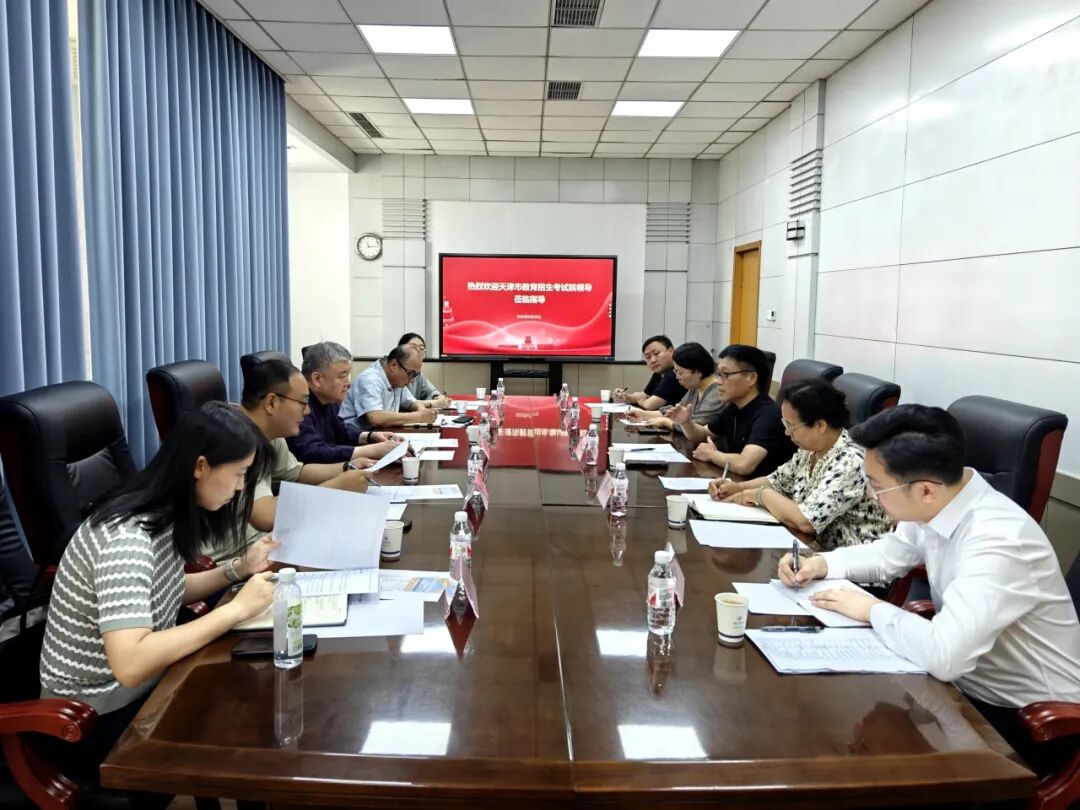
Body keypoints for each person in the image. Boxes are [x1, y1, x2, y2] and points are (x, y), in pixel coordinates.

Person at [777, 404, 1080, 776]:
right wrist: (820, 564)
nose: (870, 496)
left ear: (925, 490)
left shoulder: (998, 540)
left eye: (876, 486)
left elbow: (945, 655)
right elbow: (889, 556)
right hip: (960, 694)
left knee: (856, 765)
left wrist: (871, 609)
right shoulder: (941, 501)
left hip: (1029, 725)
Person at [38, 402, 280, 796]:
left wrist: (238, 569)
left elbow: (166, 590)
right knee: (246, 723)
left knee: (253, 695)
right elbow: (131, 663)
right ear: (200, 466)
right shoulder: (127, 539)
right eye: (238, 474)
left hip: (137, 691)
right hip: (91, 718)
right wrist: (236, 609)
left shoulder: (161, 516)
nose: (240, 488)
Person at [709, 379, 892, 550]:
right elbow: (777, 481)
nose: (787, 433)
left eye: (791, 426)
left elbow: (806, 521)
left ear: (820, 425)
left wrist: (760, 495)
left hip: (851, 562)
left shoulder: (850, 460)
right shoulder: (811, 449)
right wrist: (737, 487)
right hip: (812, 550)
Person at [237, 358, 371, 561]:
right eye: (303, 403)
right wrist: (336, 487)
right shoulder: (236, 439)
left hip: (268, 543)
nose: (308, 411)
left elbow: (296, 473)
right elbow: (265, 516)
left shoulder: (270, 433)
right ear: (271, 403)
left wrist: (347, 467)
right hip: (241, 557)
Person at [686, 344, 794, 476]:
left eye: (725, 374)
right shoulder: (735, 407)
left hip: (759, 486)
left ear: (751, 378)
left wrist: (712, 455)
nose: (718, 381)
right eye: (718, 374)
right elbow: (703, 434)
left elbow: (744, 464)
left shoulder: (769, 416)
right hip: (737, 482)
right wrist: (685, 422)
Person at [287, 341, 401, 464]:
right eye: (342, 376)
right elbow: (312, 452)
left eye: (348, 375)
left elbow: (341, 433)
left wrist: (370, 436)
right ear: (317, 379)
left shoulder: (328, 399)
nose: (348, 383)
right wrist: (372, 450)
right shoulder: (298, 404)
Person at [627, 342, 725, 435]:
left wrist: (665, 422)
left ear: (698, 372)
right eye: (676, 372)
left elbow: (696, 425)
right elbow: (675, 411)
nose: (677, 377)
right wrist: (644, 414)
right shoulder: (695, 388)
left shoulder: (717, 392)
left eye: (680, 372)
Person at [340, 344, 438, 430]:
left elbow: (412, 402)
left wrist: (422, 410)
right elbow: (376, 418)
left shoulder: (396, 381)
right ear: (393, 365)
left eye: (415, 375)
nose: (412, 380)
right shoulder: (370, 379)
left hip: (378, 435)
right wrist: (418, 417)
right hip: (353, 439)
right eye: (411, 374)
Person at [613, 335, 683, 409]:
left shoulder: (676, 373)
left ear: (671, 351)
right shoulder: (658, 374)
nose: (653, 360)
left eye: (656, 353)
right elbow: (645, 395)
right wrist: (625, 397)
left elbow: (650, 405)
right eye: (648, 357)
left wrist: (641, 401)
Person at [399, 332, 450, 409]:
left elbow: (431, 391)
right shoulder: (397, 371)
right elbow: (406, 402)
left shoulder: (418, 374)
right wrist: (433, 403)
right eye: (413, 347)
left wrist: (437, 397)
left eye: (421, 348)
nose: (418, 351)